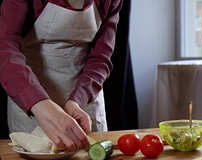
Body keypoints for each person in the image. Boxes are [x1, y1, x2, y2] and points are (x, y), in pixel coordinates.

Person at [0, 0, 122, 151]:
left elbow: (101, 58)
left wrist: (78, 100)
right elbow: (5, 47)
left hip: (84, 103)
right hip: (30, 99)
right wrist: (40, 104)